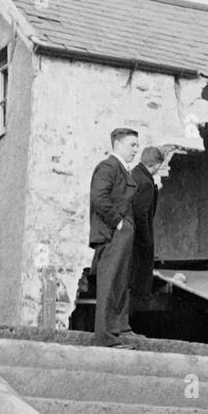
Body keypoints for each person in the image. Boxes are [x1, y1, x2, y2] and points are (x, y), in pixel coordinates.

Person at [89, 128, 140, 345]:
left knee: (120, 284)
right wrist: (117, 222)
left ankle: (120, 329)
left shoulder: (122, 169)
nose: (136, 150)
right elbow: (99, 198)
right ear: (118, 144)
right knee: (109, 285)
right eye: (132, 145)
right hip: (112, 235)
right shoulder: (108, 167)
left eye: (137, 146)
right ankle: (106, 338)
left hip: (120, 235)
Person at [127, 146, 166, 310]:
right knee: (136, 282)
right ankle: (126, 323)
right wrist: (148, 240)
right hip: (138, 242)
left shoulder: (133, 175)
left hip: (129, 238)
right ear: (156, 164)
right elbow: (141, 214)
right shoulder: (146, 182)